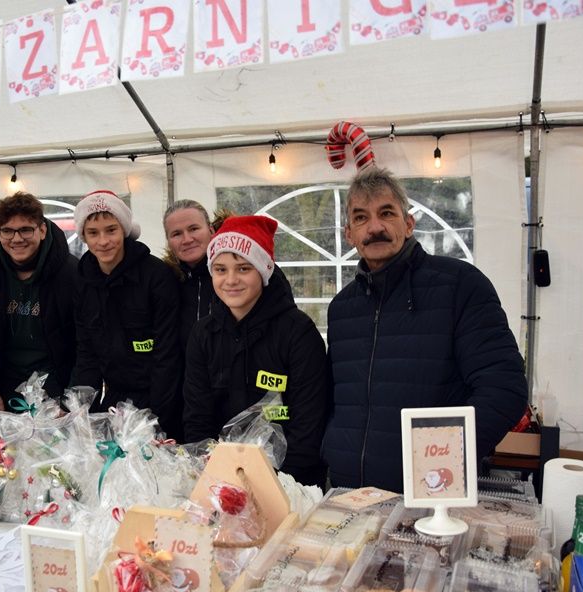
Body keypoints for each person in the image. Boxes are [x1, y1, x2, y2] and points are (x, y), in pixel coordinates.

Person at [321, 166, 527, 492]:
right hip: (348, 496)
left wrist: (438, 459)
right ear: (349, 234)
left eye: (386, 213)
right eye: (361, 218)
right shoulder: (342, 308)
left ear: (408, 223)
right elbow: (335, 400)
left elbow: (504, 390)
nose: (374, 227)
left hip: (431, 498)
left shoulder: (460, 286)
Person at [183, 215, 328, 487]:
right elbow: (197, 419)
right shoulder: (203, 334)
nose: (231, 280)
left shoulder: (298, 332)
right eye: (220, 269)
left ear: (263, 271)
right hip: (222, 483)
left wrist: (268, 486)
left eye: (243, 268)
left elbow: (308, 426)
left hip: (292, 484)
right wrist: (216, 477)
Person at [72, 190, 182, 437]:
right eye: (93, 233)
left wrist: (155, 418)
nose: (103, 241)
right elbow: (86, 352)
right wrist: (79, 408)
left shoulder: (156, 276)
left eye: (111, 230)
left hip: (160, 398)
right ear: (84, 237)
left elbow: (167, 355)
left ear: (124, 229)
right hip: (115, 398)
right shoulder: (82, 281)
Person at [0, 192, 78, 410]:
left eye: (25, 229)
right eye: (7, 231)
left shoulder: (70, 273)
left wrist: (71, 400)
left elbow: (85, 344)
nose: (16, 239)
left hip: (57, 393)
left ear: (42, 230)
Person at [162, 200, 216, 352]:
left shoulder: (239, 274)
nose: (187, 240)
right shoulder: (163, 281)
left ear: (211, 231)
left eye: (193, 229)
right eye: (177, 234)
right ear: (168, 242)